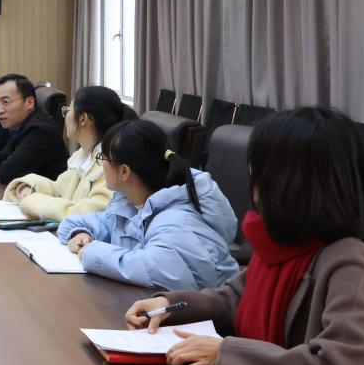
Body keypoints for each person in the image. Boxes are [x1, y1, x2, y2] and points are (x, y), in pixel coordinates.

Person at [125, 108, 364, 365]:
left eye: (259, 171)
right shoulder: (283, 240)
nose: (252, 183)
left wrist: (226, 355)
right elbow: (234, 299)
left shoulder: (352, 260)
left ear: (291, 182)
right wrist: (169, 306)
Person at [56, 118, 238, 290]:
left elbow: (157, 269)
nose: (102, 164)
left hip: (203, 311)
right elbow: (79, 223)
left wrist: (93, 252)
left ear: (124, 171)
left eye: (103, 158)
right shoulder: (130, 203)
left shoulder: (176, 221)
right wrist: (80, 233)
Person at [2, 85, 126, 221]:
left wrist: (31, 200)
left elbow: (87, 215)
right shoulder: (82, 155)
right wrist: (28, 187)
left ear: (83, 119)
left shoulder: (109, 164)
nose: (66, 116)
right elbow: (59, 188)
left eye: (68, 110)